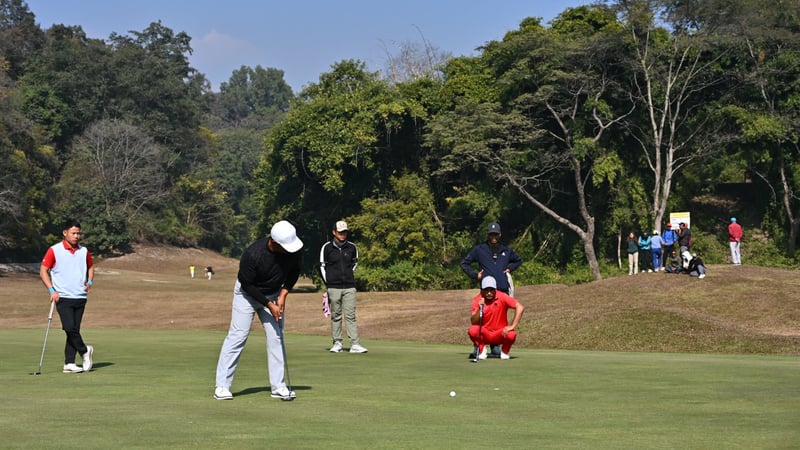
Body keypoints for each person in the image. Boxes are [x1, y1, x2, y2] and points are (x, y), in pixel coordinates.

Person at [213, 220, 303, 401]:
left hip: (274, 293)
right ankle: (222, 386)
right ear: (274, 242)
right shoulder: (253, 254)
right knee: (238, 335)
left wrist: (283, 295)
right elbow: (247, 284)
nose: (289, 250)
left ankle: (278, 386)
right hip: (246, 295)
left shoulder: (294, 250)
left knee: (276, 336)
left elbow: (294, 272)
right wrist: (269, 304)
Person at [39, 219, 95, 374]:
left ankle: (69, 363)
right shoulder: (54, 250)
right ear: (65, 233)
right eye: (73, 233)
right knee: (69, 327)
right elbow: (43, 270)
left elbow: (90, 266)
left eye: (78, 233)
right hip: (62, 296)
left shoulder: (84, 251)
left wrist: (89, 280)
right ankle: (84, 350)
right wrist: (51, 290)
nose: (77, 236)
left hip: (80, 296)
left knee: (74, 329)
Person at [460, 222, 522, 357]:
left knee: (499, 320)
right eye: (491, 234)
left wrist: (509, 269)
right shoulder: (479, 249)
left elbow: (518, 260)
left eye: (496, 234)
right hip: (486, 290)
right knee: (482, 317)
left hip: (502, 290)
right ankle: (478, 346)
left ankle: (495, 346)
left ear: (499, 235)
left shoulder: (506, 250)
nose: (493, 237)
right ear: (488, 235)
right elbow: (464, 263)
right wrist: (475, 275)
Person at [320, 220, 367, 354]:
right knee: (335, 315)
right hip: (333, 287)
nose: (343, 234)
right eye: (340, 232)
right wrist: (328, 283)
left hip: (349, 286)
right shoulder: (327, 248)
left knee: (350, 315)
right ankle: (337, 343)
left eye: (344, 232)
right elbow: (322, 266)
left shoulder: (352, 247)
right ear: (334, 232)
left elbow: (354, 263)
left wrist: (348, 275)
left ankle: (355, 344)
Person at [468, 276, 525, 360]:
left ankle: (504, 353)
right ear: (482, 290)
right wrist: (480, 308)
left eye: (491, 290)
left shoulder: (502, 296)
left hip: (500, 333)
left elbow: (520, 307)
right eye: (486, 290)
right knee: (472, 330)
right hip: (485, 333)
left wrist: (512, 326)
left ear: (495, 289)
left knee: (511, 334)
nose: (489, 293)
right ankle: (482, 350)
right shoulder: (477, 300)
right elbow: (473, 322)